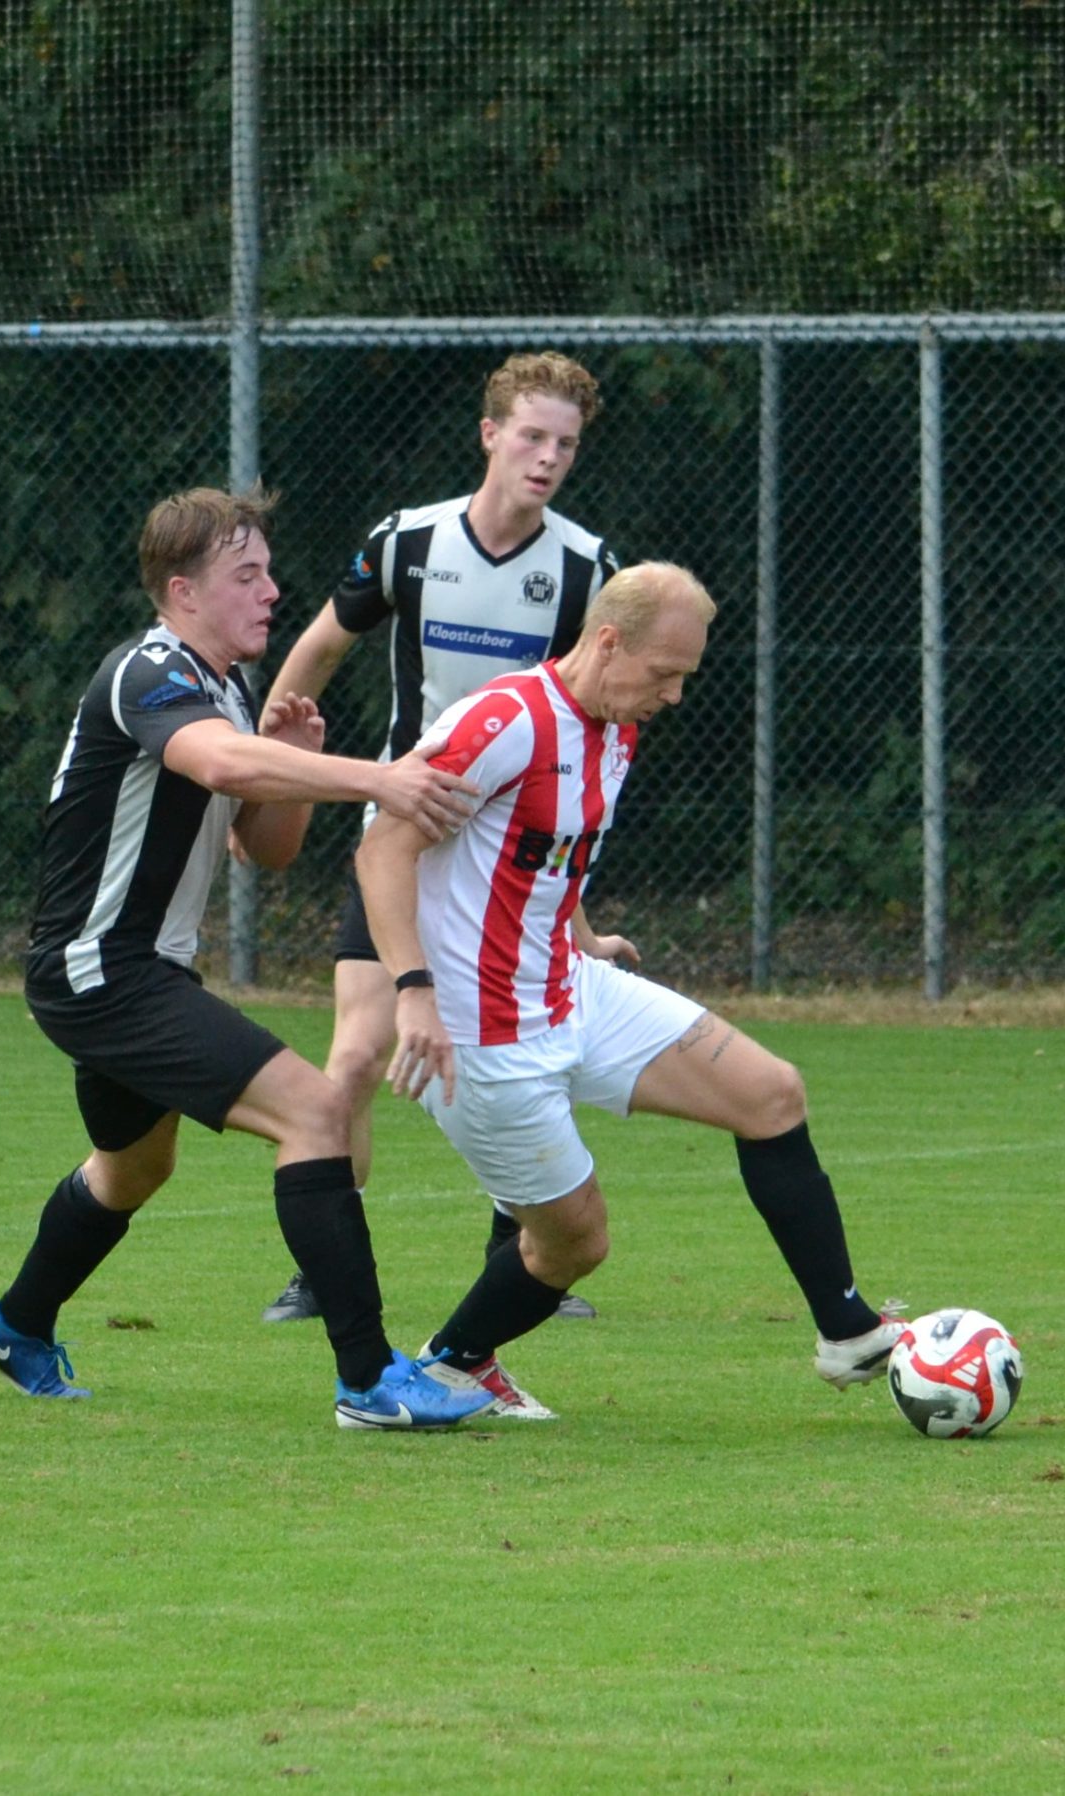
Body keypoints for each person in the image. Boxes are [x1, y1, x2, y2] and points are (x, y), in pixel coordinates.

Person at [0, 484, 496, 1431]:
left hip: (134, 972)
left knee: (131, 1170)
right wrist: (377, 777)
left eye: (268, 570)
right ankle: (370, 1376)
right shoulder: (150, 670)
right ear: (182, 592)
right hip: (103, 970)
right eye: (246, 575)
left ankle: (16, 1322)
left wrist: (291, 759)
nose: (273, 591)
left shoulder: (227, 686)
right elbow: (219, 766)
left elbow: (265, 845)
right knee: (318, 1109)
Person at [355, 563, 908, 1420]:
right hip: (482, 1034)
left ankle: (848, 1331)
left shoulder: (614, 723)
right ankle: (449, 1365)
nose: (676, 695)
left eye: (686, 676)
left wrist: (584, 935)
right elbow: (382, 850)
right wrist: (412, 990)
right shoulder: (504, 721)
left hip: (571, 989)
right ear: (607, 642)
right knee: (575, 1243)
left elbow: (542, 852)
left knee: (770, 1093)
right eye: (665, 674)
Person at [255, 351, 621, 1352]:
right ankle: (322, 1263)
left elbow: (588, 739)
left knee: (526, 1056)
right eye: (532, 435)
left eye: (566, 443)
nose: (547, 457)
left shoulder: (588, 571)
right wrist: (271, 741)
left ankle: (530, 1259)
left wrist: (578, 915)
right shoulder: (408, 544)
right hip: (405, 846)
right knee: (359, 1051)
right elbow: (324, 641)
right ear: (489, 434)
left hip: (515, 863)